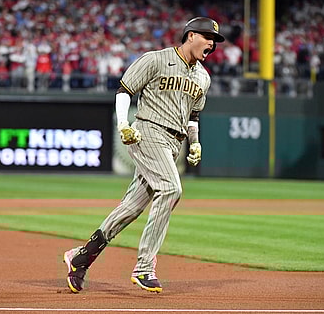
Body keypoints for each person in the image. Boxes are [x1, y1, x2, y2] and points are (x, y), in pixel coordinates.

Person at [63, 16, 225, 294]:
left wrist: (195, 143)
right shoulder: (156, 59)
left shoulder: (203, 77)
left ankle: (82, 256)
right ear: (190, 36)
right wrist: (123, 124)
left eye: (214, 40)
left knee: (131, 208)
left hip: (174, 143)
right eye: (207, 37)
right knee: (171, 189)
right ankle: (144, 267)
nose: (211, 43)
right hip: (148, 132)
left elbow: (194, 115)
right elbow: (125, 90)